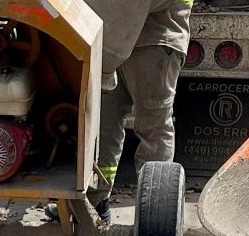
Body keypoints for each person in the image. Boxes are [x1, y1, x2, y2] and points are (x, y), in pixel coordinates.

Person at [52, 0, 191, 222]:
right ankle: (94, 201)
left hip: (154, 42)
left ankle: (155, 214)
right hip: (113, 43)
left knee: (153, 127)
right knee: (103, 125)